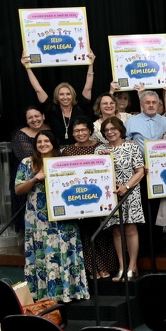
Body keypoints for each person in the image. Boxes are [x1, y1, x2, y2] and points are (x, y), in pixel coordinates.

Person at [13, 130, 89, 302]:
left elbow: (78, 186)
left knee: (63, 251)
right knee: (42, 254)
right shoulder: (27, 162)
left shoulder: (63, 162)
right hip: (37, 218)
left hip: (64, 218)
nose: (43, 144)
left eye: (46, 141)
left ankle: (70, 292)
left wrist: (82, 209)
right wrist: (34, 179)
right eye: (39, 142)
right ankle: (45, 295)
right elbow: (18, 190)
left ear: (53, 143)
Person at [57, 118, 117, 281]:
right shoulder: (67, 152)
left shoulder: (100, 147)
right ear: (72, 133)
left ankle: (107, 266)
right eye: (76, 131)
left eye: (83, 130)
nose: (80, 133)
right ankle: (93, 268)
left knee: (104, 233)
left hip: (100, 201)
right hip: (78, 201)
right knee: (86, 234)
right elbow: (63, 179)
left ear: (90, 130)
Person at [96, 117, 146, 281]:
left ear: (120, 129)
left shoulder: (131, 147)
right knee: (116, 229)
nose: (110, 132)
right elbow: (96, 173)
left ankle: (132, 266)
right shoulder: (99, 150)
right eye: (106, 130)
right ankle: (122, 267)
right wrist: (103, 160)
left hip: (130, 192)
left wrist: (126, 186)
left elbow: (140, 171)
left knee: (130, 229)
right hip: (110, 193)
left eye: (113, 129)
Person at [21, 52, 96, 146]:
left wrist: (91, 64)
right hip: (57, 151)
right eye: (61, 94)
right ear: (57, 96)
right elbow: (38, 90)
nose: (65, 97)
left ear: (72, 96)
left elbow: (88, 88)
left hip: (79, 149)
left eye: (68, 94)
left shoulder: (80, 107)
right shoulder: (52, 109)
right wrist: (27, 67)